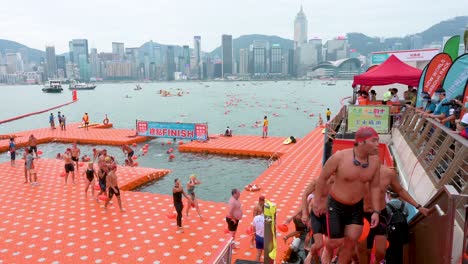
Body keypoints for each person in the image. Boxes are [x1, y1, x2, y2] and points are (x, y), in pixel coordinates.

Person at [313, 126, 382, 264]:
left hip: (356, 207)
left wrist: (376, 211)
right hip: (336, 205)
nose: (377, 144)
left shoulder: (375, 162)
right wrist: (317, 201)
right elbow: (322, 178)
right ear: (362, 142)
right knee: (335, 242)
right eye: (374, 141)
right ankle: (328, 248)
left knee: (350, 243)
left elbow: (375, 187)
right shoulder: (340, 157)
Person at [358, 165, 430, 264]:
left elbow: (400, 190)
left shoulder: (388, 173)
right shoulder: (356, 171)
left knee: (381, 252)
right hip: (362, 215)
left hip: (381, 214)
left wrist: (419, 207)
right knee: (364, 250)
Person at [385, 192, 410, 264]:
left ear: (389, 195)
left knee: (390, 252)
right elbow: (406, 215)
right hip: (403, 232)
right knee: (400, 252)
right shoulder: (404, 206)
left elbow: (385, 220)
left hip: (392, 233)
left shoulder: (387, 206)